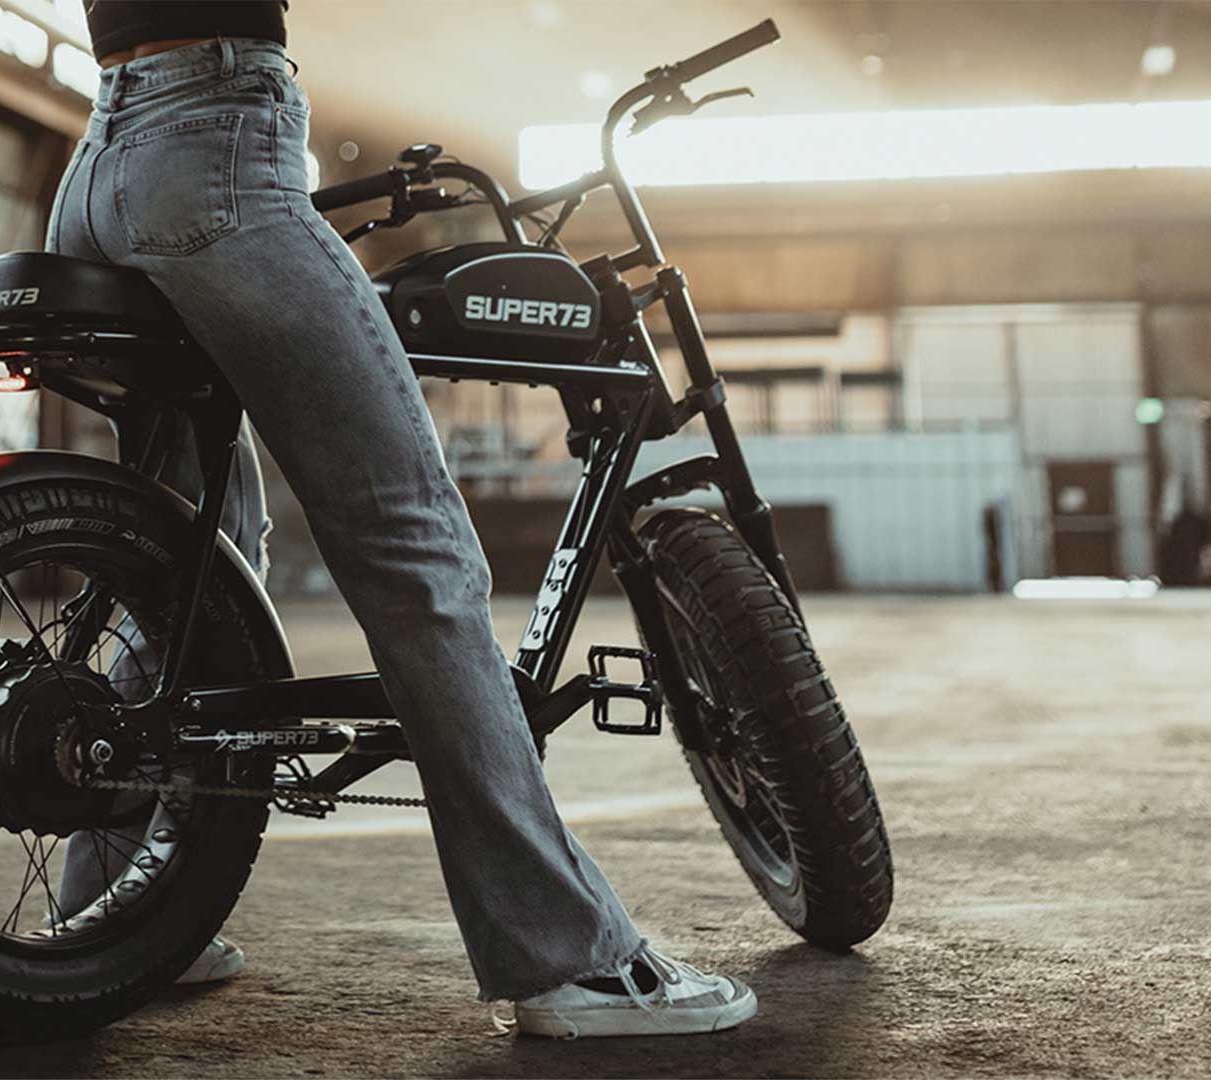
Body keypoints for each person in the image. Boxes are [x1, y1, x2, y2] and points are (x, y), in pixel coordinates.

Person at [48, 1, 757, 1038]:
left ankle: (120, 908)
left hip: (100, 160)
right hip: (214, 138)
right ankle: (571, 958)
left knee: (192, 555)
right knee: (417, 552)